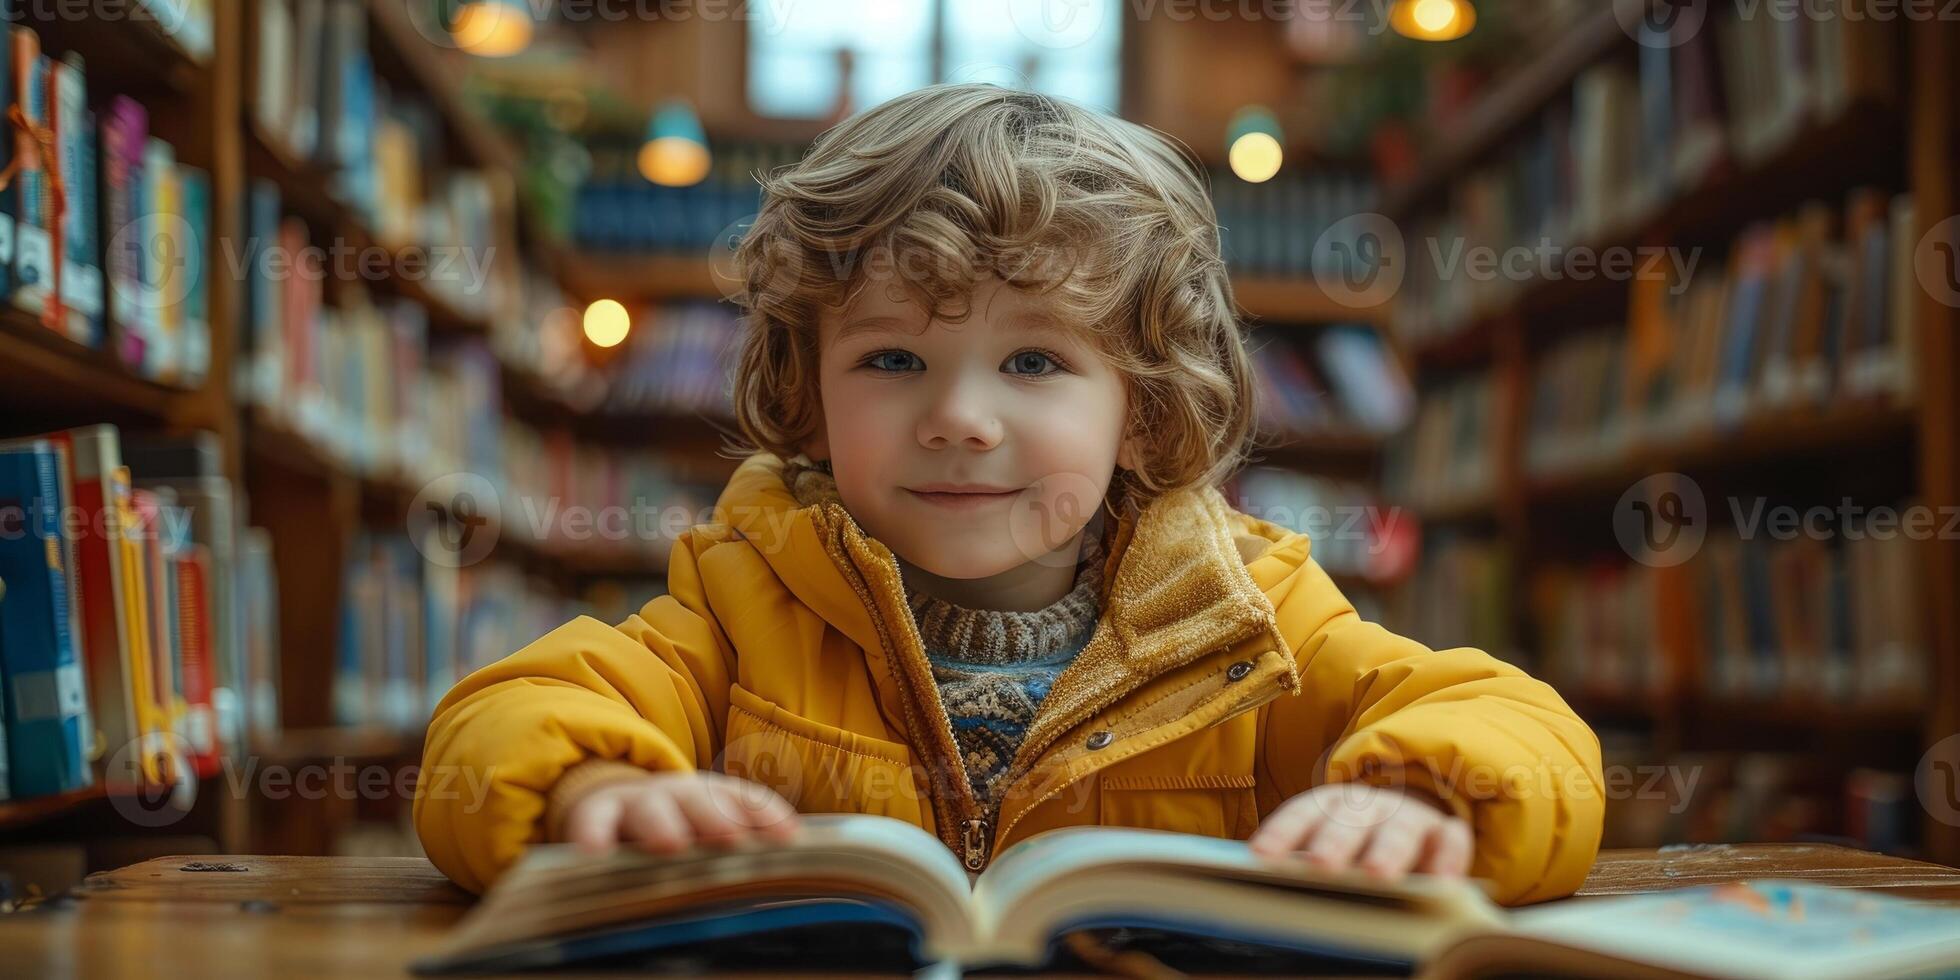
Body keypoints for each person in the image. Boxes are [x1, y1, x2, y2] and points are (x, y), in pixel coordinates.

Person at [413, 83, 1603, 906]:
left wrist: (1422, 795)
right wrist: (590, 782)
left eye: (1034, 362)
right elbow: (504, 717)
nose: (958, 416)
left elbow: (1523, 727)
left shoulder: (1250, 615)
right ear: (809, 390)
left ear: (1138, 407)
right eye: (890, 360)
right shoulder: (739, 598)